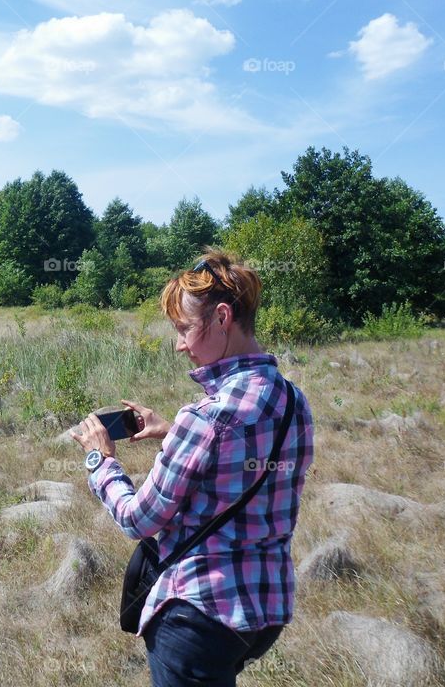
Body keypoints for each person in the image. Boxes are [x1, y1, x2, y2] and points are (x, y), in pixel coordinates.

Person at [71, 249, 314, 687]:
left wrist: (100, 460)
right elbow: (248, 466)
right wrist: (171, 433)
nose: (180, 344)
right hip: (264, 610)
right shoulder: (294, 400)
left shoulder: (205, 417)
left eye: (185, 329)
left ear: (222, 318)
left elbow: (137, 519)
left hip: (200, 614)